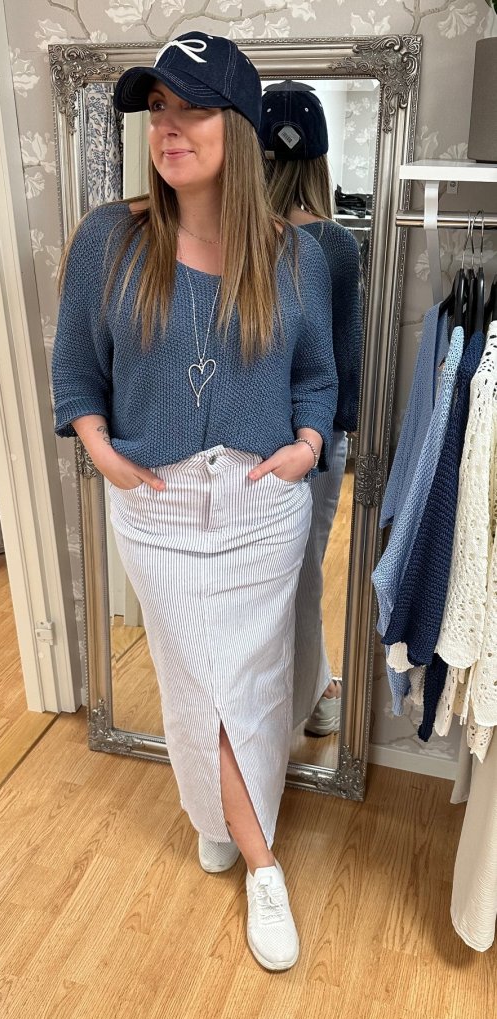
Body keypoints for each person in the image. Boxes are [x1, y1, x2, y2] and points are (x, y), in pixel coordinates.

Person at [52, 34, 337, 972]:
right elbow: (76, 370)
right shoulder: (111, 240)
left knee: (251, 687)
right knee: (196, 694)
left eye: (194, 108)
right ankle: (259, 858)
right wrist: (103, 453)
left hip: (260, 505)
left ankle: (234, 834)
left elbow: (318, 377)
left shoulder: (294, 257)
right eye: (159, 109)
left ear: (241, 127)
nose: (169, 127)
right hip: (159, 508)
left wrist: (305, 448)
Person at [259, 81, 363, 738]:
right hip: (315, 434)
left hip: (247, 433)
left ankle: (306, 689)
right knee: (302, 573)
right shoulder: (336, 244)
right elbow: (345, 358)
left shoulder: (230, 237)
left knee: (261, 579)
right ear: (320, 159)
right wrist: (344, 427)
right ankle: (309, 701)